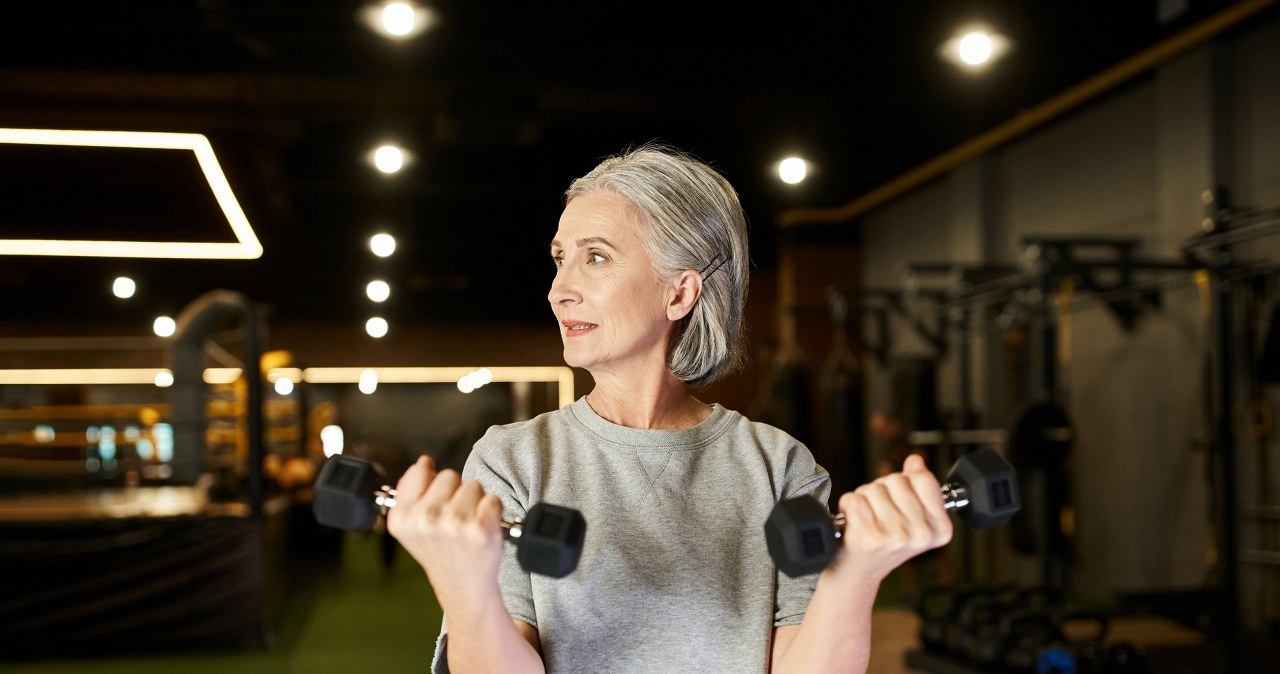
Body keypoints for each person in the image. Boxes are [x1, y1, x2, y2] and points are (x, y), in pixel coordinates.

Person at [386, 144, 953, 674]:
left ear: (679, 294)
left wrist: (856, 573)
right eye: (560, 259)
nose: (560, 289)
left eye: (596, 257)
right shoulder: (514, 458)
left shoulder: (777, 465)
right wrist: (461, 587)